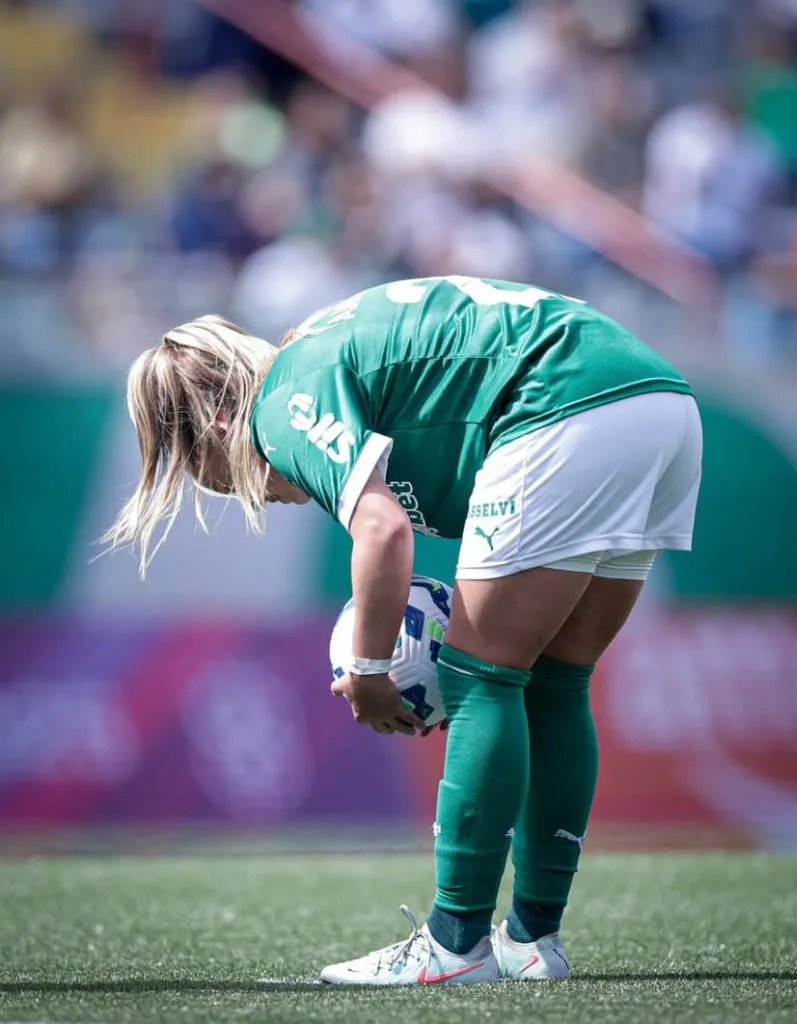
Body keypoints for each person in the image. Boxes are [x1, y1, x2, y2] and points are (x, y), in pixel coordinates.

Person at [106, 274, 702, 985]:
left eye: (225, 481)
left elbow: (383, 531)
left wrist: (366, 674)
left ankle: (454, 946)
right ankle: (534, 940)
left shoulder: (281, 401)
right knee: (555, 682)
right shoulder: (325, 352)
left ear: (218, 427)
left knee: (482, 676)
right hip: (660, 400)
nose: (260, 493)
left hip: (564, 404)